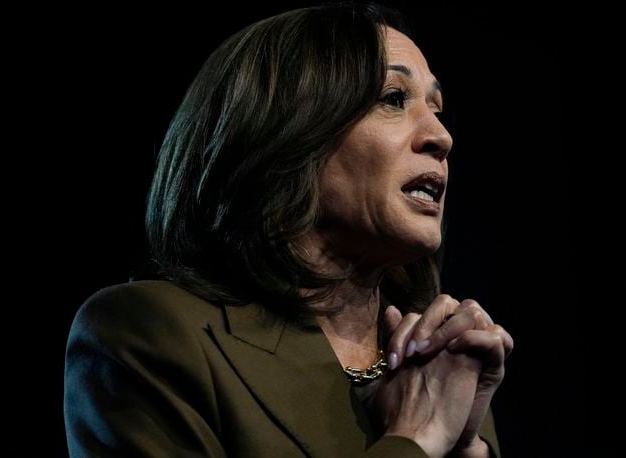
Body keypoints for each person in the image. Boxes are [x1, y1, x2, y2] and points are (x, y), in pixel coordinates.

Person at [64, 3, 513, 457]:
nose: (441, 136)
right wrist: (417, 439)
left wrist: (466, 449)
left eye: (436, 109)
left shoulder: (439, 364)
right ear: (285, 134)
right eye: (394, 98)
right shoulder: (150, 333)